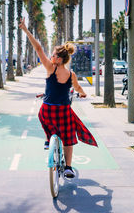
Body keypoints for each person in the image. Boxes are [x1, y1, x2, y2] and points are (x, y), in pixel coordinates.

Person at [19, 18, 98, 178]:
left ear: (59, 59)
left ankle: (49, 139)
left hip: (47, 111)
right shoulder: (71, 75)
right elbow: (78, 88)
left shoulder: (50, 68)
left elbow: (38, 48)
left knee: (43, 118)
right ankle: (68, 167)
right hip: (63, 112)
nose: (50, 56)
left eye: (53, 55)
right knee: (68, 139)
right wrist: (82, 93)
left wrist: (26, 30)